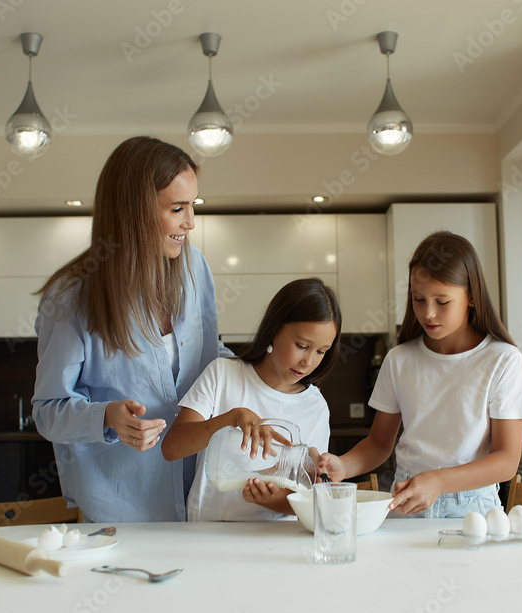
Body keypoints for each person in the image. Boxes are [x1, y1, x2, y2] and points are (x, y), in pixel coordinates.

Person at [31, 136, 230, 523]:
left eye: (193, 206)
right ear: (134, 211)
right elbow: (47, 410)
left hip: (199, 498)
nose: (190, 222)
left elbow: (211, 358)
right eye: (177, 209)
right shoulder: (72, 297)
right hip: (119, 511)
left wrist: (271, 372)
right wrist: (107, 417)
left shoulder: (195, 269)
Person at [316, 231, 522, 518]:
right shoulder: (399, 360)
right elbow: (380, 444)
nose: (428, 313)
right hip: (407, 504)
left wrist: (439, 482)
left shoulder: (502, 360)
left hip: (473, 510)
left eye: (442, 302)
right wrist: (344, 465)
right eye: (418, 299)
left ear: (471, 296)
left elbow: (507, 460)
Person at [162, 278, 341, 521]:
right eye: (301, 345)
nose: (308, 362)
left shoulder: (315, 406)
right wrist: (231, 418)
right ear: (274, 329)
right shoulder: (223, 374)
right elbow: (172, 448)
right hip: (207, 535)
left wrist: (269, 499)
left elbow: (311, 497)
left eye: (321, 351)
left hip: (276, 541)